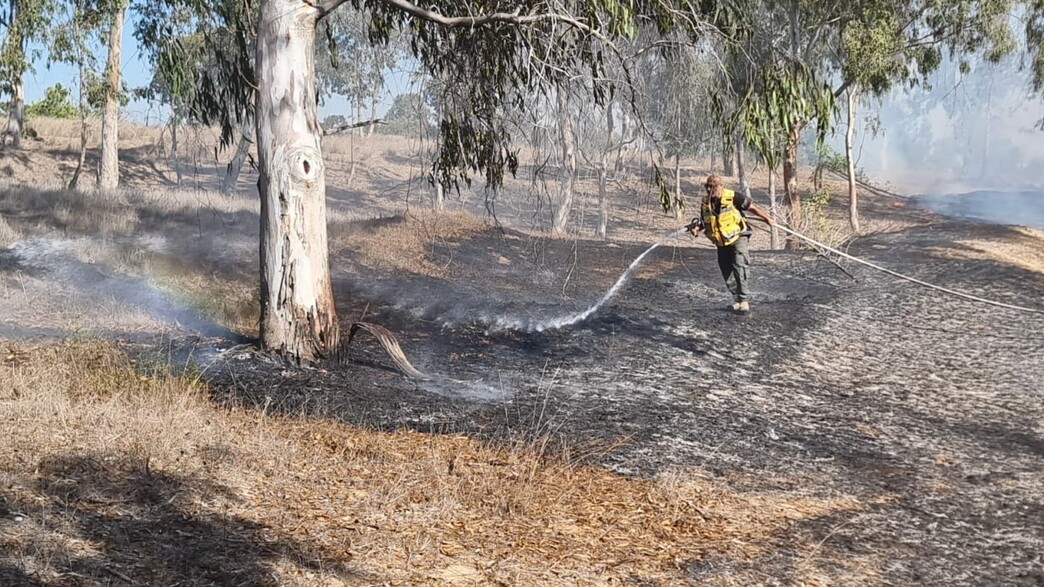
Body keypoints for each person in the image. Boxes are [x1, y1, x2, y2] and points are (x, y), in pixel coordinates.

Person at [687, 174, 774, 313]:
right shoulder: (705, 202)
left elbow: (751, 207)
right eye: (707, 186)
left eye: (712, 186)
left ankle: (744, 300)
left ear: (721, 186)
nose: (709, 189)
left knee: (739, 265)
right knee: (726, 269)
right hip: (721, 241)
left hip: (738, 236)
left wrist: (766, 218)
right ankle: (737, 300)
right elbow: (706, 221)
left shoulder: (734, 197)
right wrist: (697, 228)